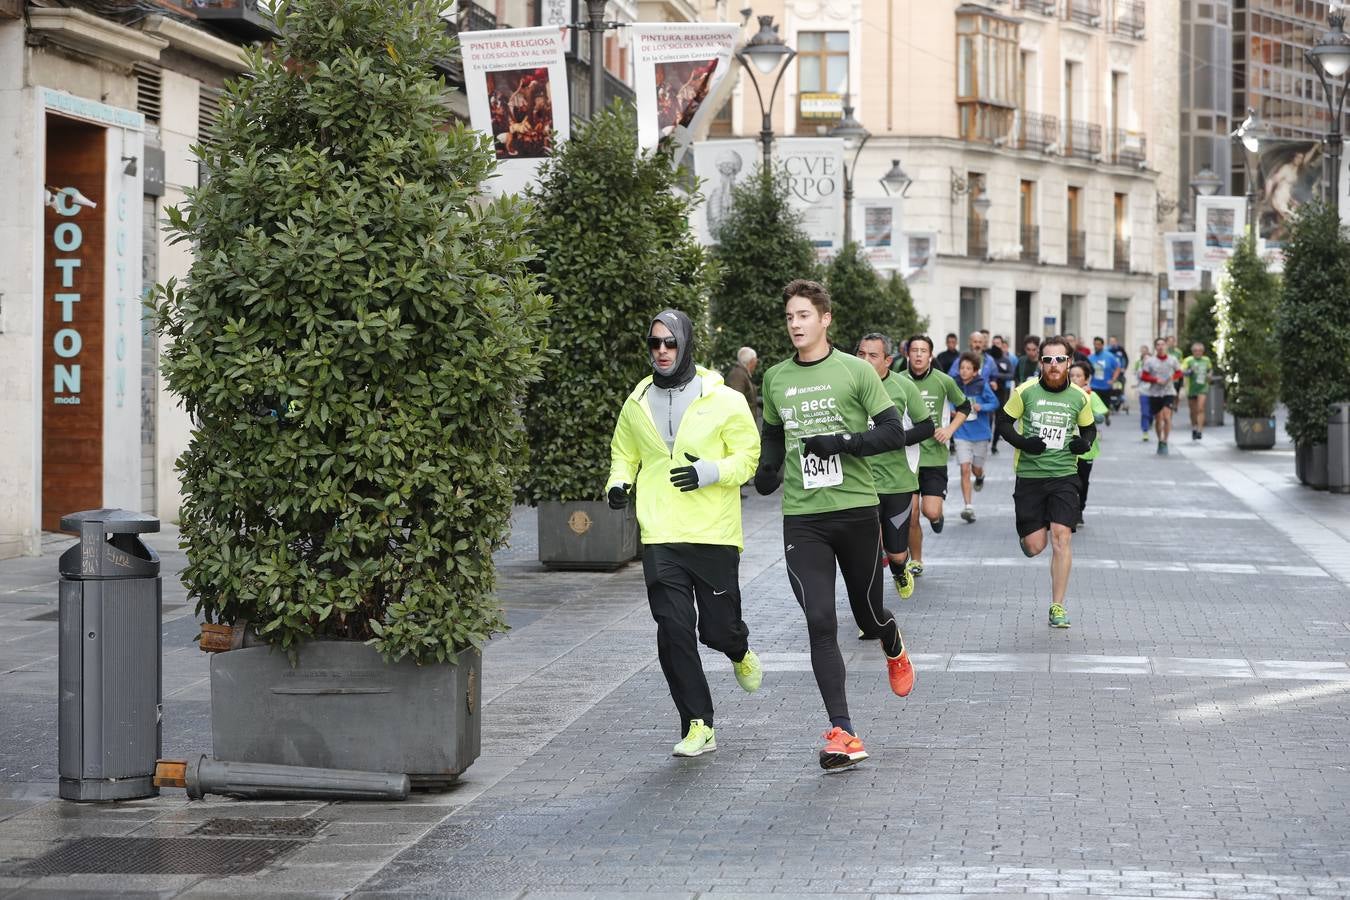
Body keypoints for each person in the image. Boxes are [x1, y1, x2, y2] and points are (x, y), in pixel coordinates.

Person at [755, 279, 924, 770]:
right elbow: (772, 435)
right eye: (789, 316)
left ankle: (892, 640)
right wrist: (766, 472)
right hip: (803, 518)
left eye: (804, 315)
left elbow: (893, 431)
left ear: (825, 319)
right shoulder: (775, 378)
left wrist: (843, 442)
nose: (795, 324)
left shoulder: (854, 371)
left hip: (854, 508)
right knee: (820, 622)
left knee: (868, 616)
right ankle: (843, 731)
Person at [606, 310, 763, 758]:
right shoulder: (636, 401)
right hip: (660, 531)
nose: (661, 351)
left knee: (717, 629)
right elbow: (624, 453)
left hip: (713, 531)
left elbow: (747, 458)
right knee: (674, 629)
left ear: (686, 345)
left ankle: (738, 649)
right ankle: (698, 722)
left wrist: (710, 471)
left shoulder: (723, 398)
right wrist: (618, 483)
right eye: (654, 343)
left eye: (669, 343)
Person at [994, 336, 1097, 628]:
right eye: (1048, 359)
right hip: (1030, 476)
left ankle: (1058, 606)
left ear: (1069, 362)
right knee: (1035, 545)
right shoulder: (1025, 391)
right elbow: (1002, 422)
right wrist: (1024, 443)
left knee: (1061, 536)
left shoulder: (1079, 396)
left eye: (1060, 360)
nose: (1054, 365)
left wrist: (1082, 444)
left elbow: (1089, 429)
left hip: (1064, 475)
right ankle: (1027, 541)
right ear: (1040, 362)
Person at [856, 333, 935, 600]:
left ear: (888, 361)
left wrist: (894, 438)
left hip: (898, 481)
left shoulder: (903, 387)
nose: (865, 360)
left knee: (896, 552)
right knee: (867, 553)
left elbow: (927, 426)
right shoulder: (848, 386)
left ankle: (900, 569)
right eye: (861, 354)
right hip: (861, 482)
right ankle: (870, 612)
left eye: (873, 355)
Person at [902, 335, 972, 576]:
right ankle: (917, 560)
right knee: (911, 514)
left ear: (930, 355)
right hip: (906, 459)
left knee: (929, 511)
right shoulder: (897, 381)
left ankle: (936, 517)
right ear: (907, 355)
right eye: (914, 350)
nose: (919, 355)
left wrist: (949, 430)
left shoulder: (944, 381)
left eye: (923, 350)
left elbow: (964, 407)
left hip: (935, 457)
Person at [953, 352, 998, 523]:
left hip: (980, 433)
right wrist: (951, 408)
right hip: (961, 432)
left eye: (968, 368)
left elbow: (995, 403)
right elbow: (948, 400)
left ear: (975, 371)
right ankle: (968, 507)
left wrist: (982, 406)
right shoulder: (955, 384)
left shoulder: (981, 385)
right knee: (964, 469)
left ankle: (980, 476)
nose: (964, 371)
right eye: (962, 368)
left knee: (975, 468)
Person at [1068, 361, 1108, 527]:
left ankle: (1080, 510)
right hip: (1067, 448)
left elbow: (1101, 417)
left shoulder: (1092, 395)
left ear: (1086, 379)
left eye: (1079, 376)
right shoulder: (1064, 394)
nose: (1075, 379)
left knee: (1083, 481)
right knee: (1069, 481)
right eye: (1072, 376)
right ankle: (1069, 511)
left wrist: (1086, 406)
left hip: (1087, 449)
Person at [1139, 337, 1183, 454]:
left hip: (1168, 392)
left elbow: (1179, 372)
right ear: (1155, 347)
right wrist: (1155, 380)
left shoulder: (1172, 359)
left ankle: (1165, 440)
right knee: (1158, 419)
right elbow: (1143, 376)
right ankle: (1160, 439)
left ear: (1166, 346)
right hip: (1154, 393)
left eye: (1163, 344)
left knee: (1167, 417)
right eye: (1158, 345)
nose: (1161, 347)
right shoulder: (1150, 361)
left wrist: (1171, 378)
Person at [1180, 341, 1213, 440]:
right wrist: (1189, 371)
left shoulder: (1206, 360)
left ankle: (1199, 430)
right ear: (1192, 352)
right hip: (1191, 388)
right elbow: (1182, 371)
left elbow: (1210, 369)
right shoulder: (1188, 360)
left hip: (1203, 387)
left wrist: (1210, 374)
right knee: (1193, 411)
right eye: (1195, 351)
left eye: (1200, 351)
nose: (1198, 353)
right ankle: (1194, 426)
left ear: (1203, 352)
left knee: (1200, 408)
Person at [1087, 336, 1122, 421]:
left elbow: (1118, 368)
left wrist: (1113, 379)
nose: (1096, 346)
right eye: (1095, 344)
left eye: (1098, 344)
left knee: (1106, 407)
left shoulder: (1109, 356)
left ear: (1102, 345)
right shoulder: (1090, 357)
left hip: (1106, 386)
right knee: (1093, 406)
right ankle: (1094, 421)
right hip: (1094, 386)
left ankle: (1106, 416)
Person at [724, 346, 759, 428]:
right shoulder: (738, 376)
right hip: (739, 428)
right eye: (755, 361)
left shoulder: (741, 374)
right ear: (752, 361)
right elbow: (735, 403)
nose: (756, 365)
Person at [1133, 343, 1153, 441]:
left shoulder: (1155, 368)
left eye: (1148, 359)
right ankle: (1145, 431)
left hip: (1155, 393)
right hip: (1143, 392)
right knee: (1145, 412)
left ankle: (1150, 421)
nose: (1147, 361)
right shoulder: (1140, 369)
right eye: (1145, 359)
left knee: (1151, 412)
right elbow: (1137, 377)